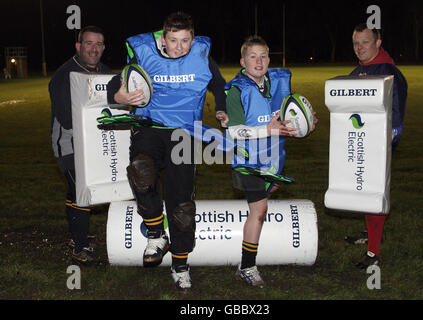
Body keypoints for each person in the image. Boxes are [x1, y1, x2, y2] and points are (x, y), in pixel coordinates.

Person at [107, 11, 228, 292]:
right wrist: (119, 96)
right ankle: (155, 232)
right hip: (150, 127)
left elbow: (219, 84)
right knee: (141, 171)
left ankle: (181, 264)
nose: (179, 47)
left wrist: (221, 108)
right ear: (163, 37)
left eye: (185, 40)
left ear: (192, 38)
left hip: (184, 133)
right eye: (173, 40)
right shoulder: (144, 52)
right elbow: (118, 81)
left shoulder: (200, 54)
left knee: (182, 204)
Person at [225, 36, 316, 287]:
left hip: (274, 159)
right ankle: (247, 267)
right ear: (243, 61)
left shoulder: (278, 83)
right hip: (249, 161)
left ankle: (246, 264)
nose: (259, 61)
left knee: (263, 206)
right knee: (260, 209)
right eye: (253, 56)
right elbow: (233, 132)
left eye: (264, 55)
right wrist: (267, 130)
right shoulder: (236, 89)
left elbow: (289, 119)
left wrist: (305, 125)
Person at [345, 23, 407, 269]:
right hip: (358, 145)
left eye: (365, 42)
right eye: (356, 43)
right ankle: (369, 234)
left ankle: (373, 252)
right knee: (363, 192)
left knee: (374, 196)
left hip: (377, 148)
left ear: (378, 43)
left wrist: (384, 147)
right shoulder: (357, 71)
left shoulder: (388, 72)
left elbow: (397, 117)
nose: (360, 48)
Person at [49, 26, 111, 264]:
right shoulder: (65, 74)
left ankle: (78, 235)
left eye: (98, 44)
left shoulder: (106, 73)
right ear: (78, 46)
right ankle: (80, 245)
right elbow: (66, 117)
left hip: (97, 143)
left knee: (81, 191)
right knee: (80, 190)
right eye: (88, 43)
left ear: (103, 47)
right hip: (69, 143)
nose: (93, 49)